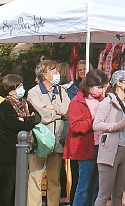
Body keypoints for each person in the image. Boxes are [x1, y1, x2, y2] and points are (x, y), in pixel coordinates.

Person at [29, 59, 73, 206]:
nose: (57, 74)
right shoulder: (33, 92)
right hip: (40, 141)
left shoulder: (61, 90)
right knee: (36, 176)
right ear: (45, 74)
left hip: (58, 140)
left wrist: (53, 108)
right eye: (54, 71)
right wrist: (58, 111)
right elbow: (42, 115)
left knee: (55, 179)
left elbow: (69, 110)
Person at [0, 74, 40, 206]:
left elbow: (37, 117)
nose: (22, 89)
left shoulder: (26, 103)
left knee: (19, 185)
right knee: (6, 188)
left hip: (25, 149)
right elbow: (15, 125)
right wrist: (27, 120)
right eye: (19, 86)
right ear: (10, 90)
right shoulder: (5, 105)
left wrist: (26, 120)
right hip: (7, 152)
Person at [94, 69, 125, 206]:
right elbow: (97, 124)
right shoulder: (107, 102)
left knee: (119, 193)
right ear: (118, 83)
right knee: (104, 194)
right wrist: (117, 126)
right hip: (110, 150)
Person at [69, 69, 107, 206]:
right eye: (100, 87)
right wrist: (93, 121)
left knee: (97, 186)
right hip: (85, 148)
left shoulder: (102, 100)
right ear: (90, 86)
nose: (101, 90)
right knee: (84, 185)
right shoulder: (77, 101)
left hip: (101, 147)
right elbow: (75, 126)